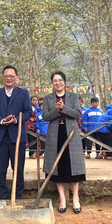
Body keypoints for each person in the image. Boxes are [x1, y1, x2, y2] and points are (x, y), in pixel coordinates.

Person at [0, 65, 33, 200]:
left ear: (16, 78)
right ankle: (2, 196)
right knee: (0, 169)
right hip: (0, 137)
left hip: (17, 137)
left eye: (11, 76)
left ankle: (17, 195)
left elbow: (28, 112)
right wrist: (1, 120)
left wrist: (15, 119)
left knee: (18, 168)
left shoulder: (23, 93)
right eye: (6, 76)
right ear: (3, 78)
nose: (8, 78)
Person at [42, 71, 86, 214]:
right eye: (55, 80)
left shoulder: (73, 96)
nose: (58, 83)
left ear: (65, 82)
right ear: (52, 83)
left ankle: (75, 198)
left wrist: (64, 108)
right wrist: (56, 110)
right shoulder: (48, 98)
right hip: (55, 134)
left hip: (71, 133)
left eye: (60, 80)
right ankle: (62, 198)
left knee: (74, 165)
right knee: (57, 166)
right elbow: (45, 116)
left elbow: (77, 114)